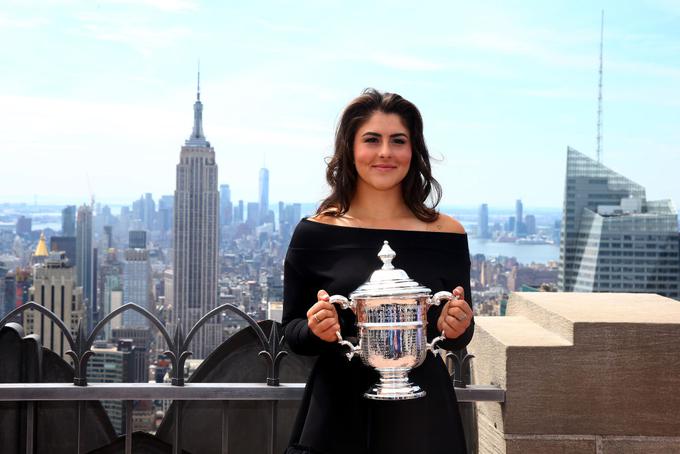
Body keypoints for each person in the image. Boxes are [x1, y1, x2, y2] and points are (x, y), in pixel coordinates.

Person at [282, 88, 474, 454]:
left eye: (398, 141)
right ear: (351, 149)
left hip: (424, 418)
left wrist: (458, 325)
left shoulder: (447, 235)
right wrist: (316, 329)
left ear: (412, 151)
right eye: (372, 139)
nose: (385, 152)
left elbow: (457, 335)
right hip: (337, 416)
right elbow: (292, 332)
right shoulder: (316, 233)